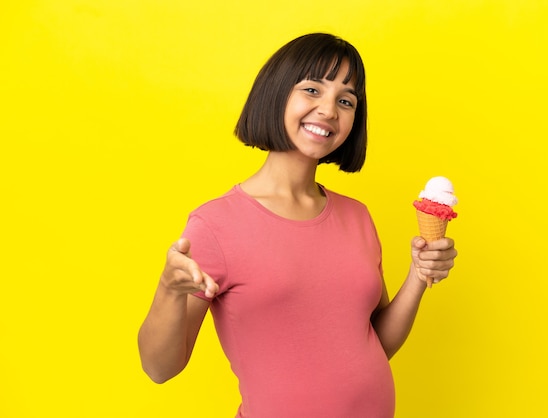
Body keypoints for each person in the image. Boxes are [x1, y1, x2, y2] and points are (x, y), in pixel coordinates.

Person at [138, 33, 457, 418]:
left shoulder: (357, 216)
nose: (328, 110)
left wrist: (419, 276)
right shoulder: (215, 224)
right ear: (275, 94)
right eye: (311, 89)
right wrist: (168, 290)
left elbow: (375, 342)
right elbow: (159, 369)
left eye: (345, 100)